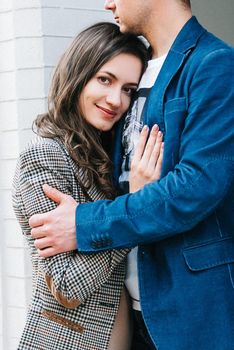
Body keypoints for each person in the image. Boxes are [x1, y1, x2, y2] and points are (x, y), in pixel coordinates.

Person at [29, 1, 234, 349]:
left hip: (191, 310)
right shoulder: (135, 66)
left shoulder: (214, 64)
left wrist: (83, 223)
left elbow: (195, 186)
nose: (108, 2)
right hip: (126, 310)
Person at [12, 21, 165, 350]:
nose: (116, 100)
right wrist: (134, 206)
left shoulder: (108, 154)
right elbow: (67, 286)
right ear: (78, 75)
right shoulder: (45, 158)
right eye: (105, 80)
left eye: (128, 89)